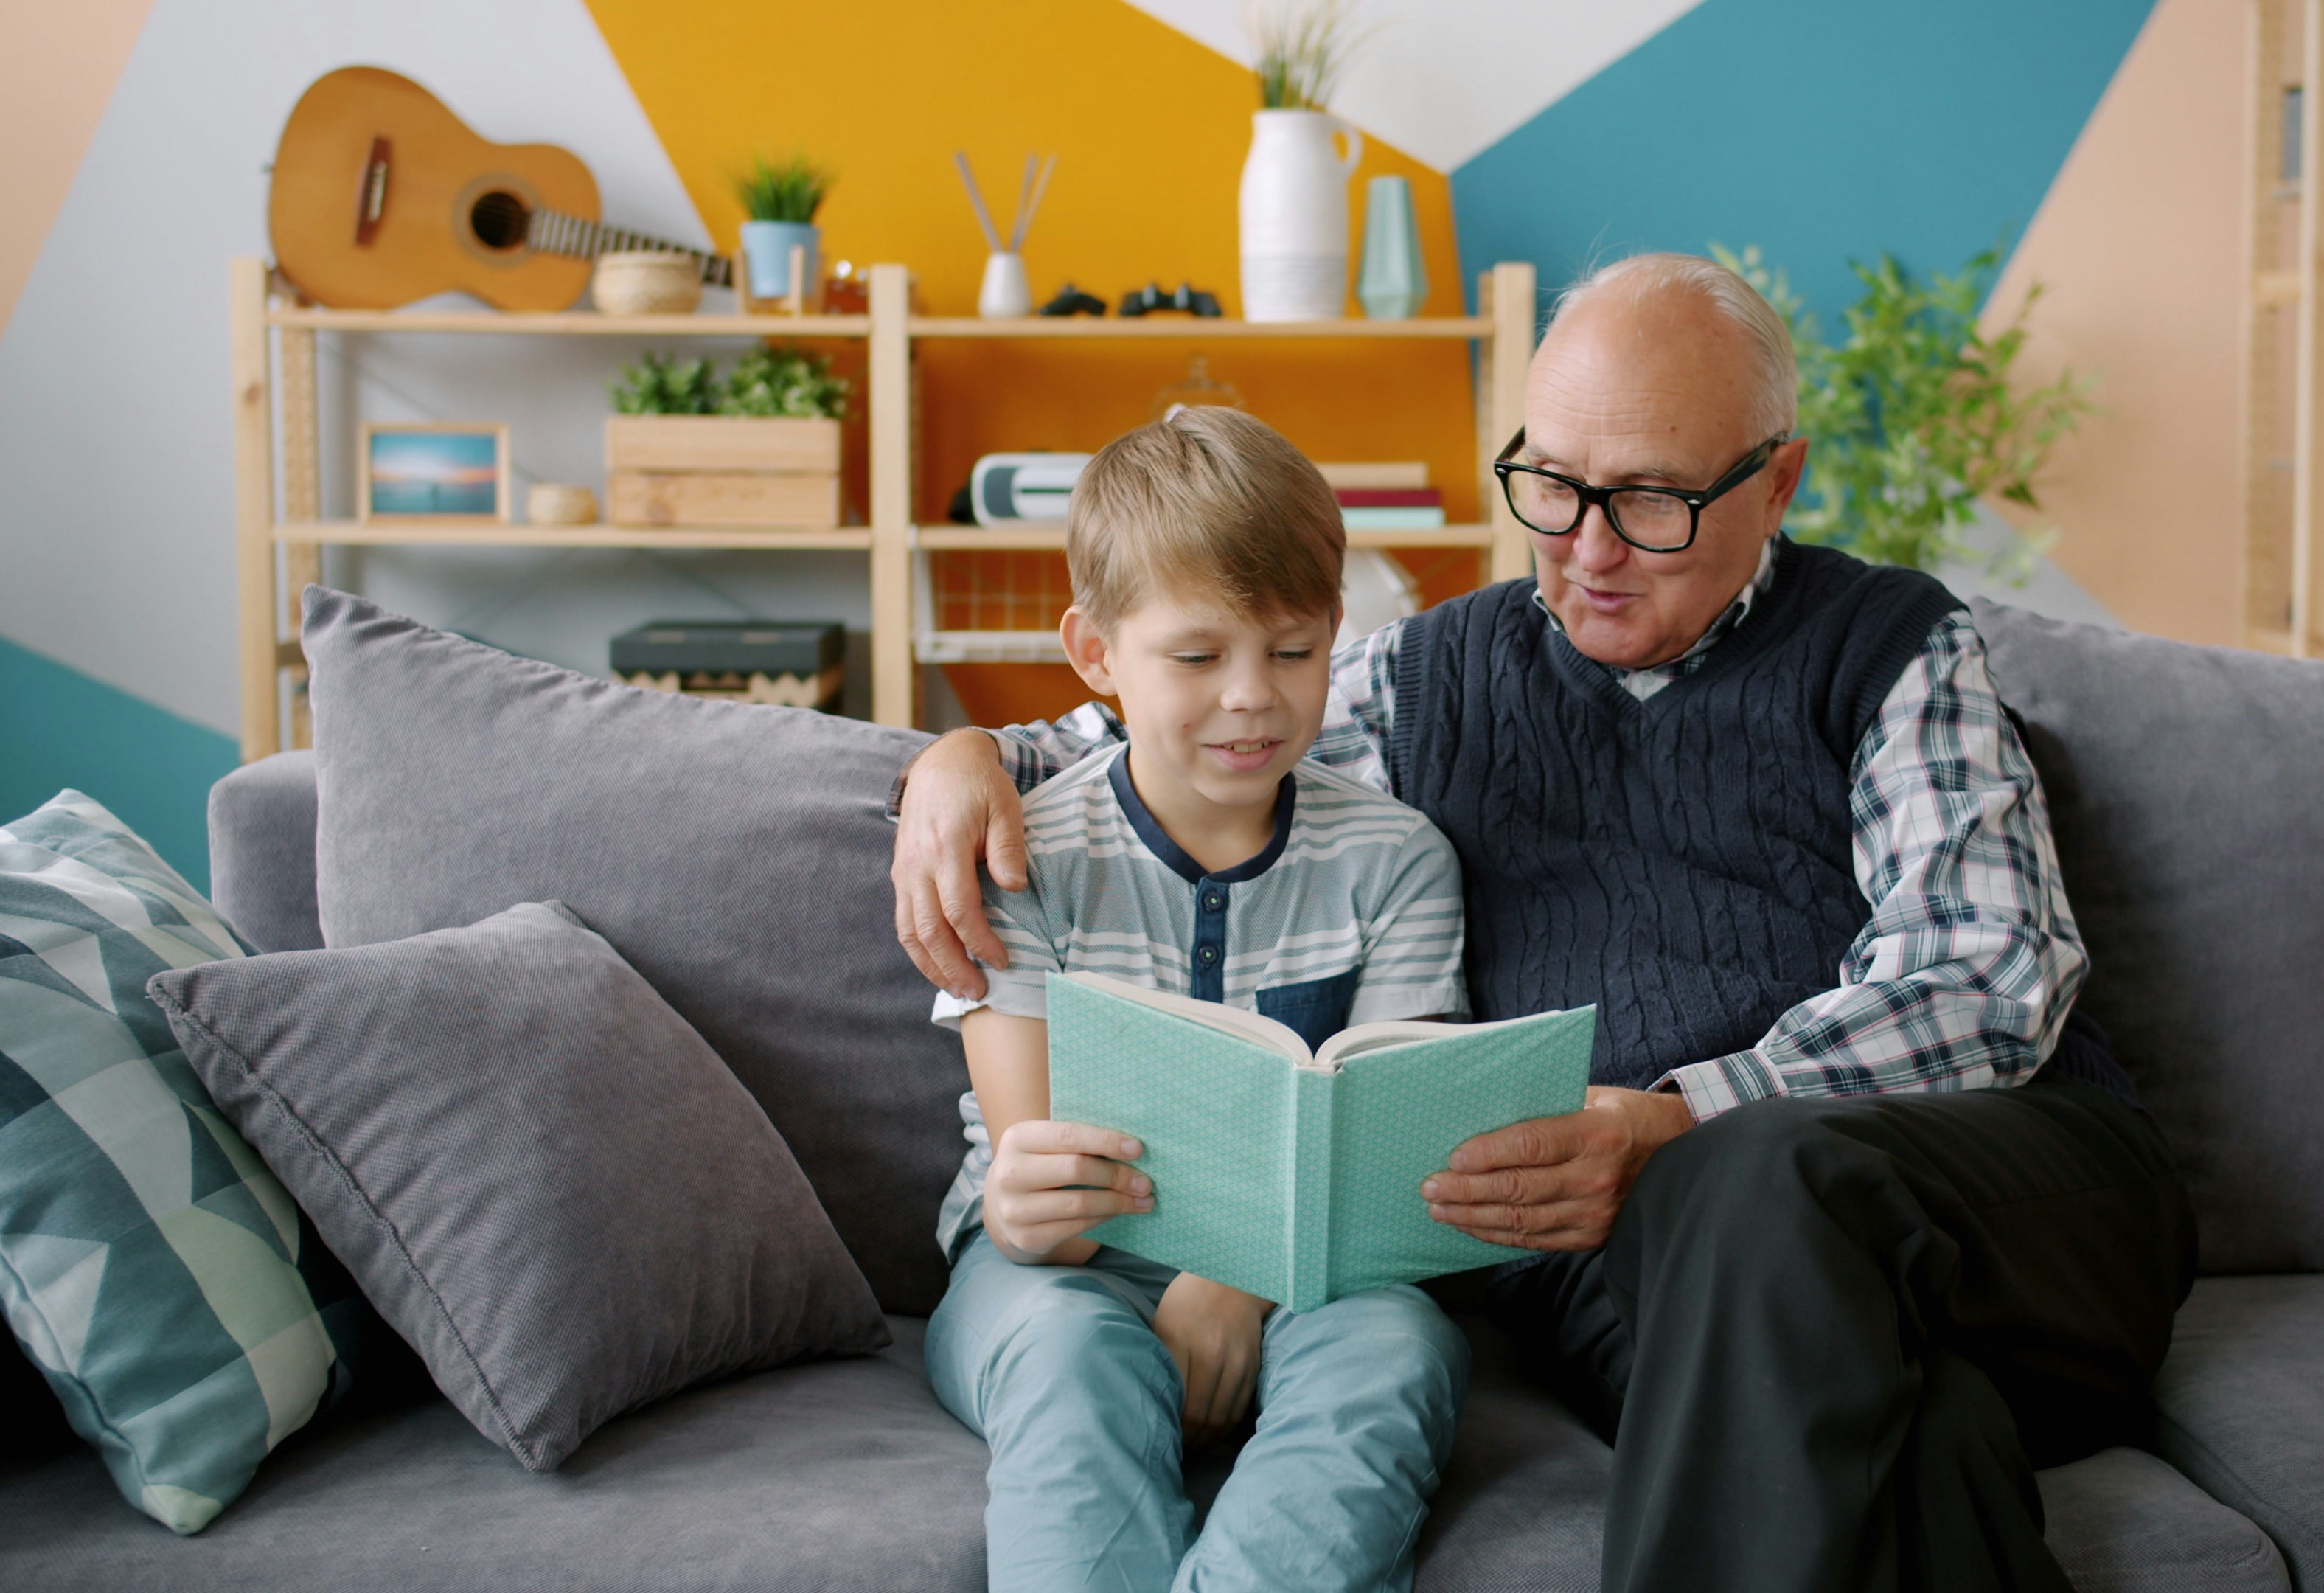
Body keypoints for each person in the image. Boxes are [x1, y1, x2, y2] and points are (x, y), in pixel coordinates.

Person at [894, 254, 2198, 1593]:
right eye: (1555, 487)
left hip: (2003, 1208)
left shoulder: (1889, 647)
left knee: (1750, 1173)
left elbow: (1987, 974)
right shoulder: (1432, 676)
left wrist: (1684, 1114)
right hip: (1669, 1279)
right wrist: (963, 759)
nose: (1586, 546)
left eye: (1648, 502)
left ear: (1778, 482)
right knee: (1919, 1439)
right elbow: (1181, 717)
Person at [919, 406, 1474, 1593]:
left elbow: (1391, 1168)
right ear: (1094, 653)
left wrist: (1239, 1280)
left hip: (1315, 1276)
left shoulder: (1401, 860)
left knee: (1399, 1349)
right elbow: (1044, 1196)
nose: (1251, 699)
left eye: (1292, 651)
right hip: (1054, 1274)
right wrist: (1031, 1207)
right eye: (1196, 655)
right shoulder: (1024, 858)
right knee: (1069, 1359)